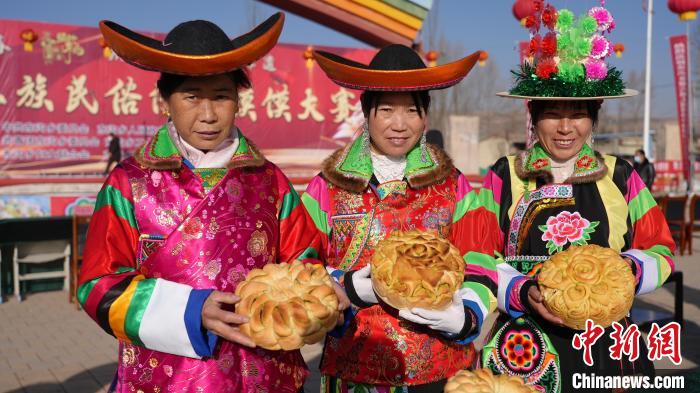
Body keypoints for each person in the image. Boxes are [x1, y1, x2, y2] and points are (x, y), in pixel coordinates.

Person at [77, 14, 348, 393]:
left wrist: (321, 291)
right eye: (191, 97)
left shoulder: (269, 181)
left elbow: (305, 259)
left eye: (221, 96)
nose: (208, 115)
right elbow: (97, 286)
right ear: (165, 101)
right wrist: (189, 310)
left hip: (266, 374)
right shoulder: (129, 183)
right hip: (167, 377)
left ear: (238, 101)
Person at [479, 4, 675, 393]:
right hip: (525, 346)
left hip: (604, 347)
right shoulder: (504, 175)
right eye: (553, 113)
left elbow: (661, 250)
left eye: (579, 113)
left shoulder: (621, 175)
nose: (566, 127)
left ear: (594, 116)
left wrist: (618, 278)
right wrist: (521, 290)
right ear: (533, 116)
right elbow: (475, 255)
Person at [304, 44, 501, 392]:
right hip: (354, 367)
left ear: (425, 116)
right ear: (367, 114)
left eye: (411, 110)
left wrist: (466, 315)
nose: (399, 124)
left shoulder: (453, 184)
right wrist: (345, 286)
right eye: (386, 110)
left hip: (441, 366)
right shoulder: (329, 186)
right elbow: (300, 260)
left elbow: (480, 258)